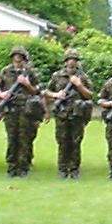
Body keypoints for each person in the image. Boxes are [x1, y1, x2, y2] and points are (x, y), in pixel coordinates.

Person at [43, 48, 94, 178]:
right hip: (62, 114)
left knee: (75, 142)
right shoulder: (57, 76)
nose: (72, 62)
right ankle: (62, 168)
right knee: (62, 141)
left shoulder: (83, 77)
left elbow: (89, 95)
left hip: (77, 114)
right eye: (69, 60)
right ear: (65, 62)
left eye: (74, 60)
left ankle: (74, 169)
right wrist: (56, 95)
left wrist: (79, 85)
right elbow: (46, 92)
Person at [0, 45, 42, 178]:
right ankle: (11, 167)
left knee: (24, 138)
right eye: (15, 56)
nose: (17, 58)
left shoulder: (30, 72)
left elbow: (37, 90)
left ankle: (23, 167)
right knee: (12, 138)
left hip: (25, 109)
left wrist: (27, 84)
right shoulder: (5, 71)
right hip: (11, 109)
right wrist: (1, 94)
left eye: (20, 56)